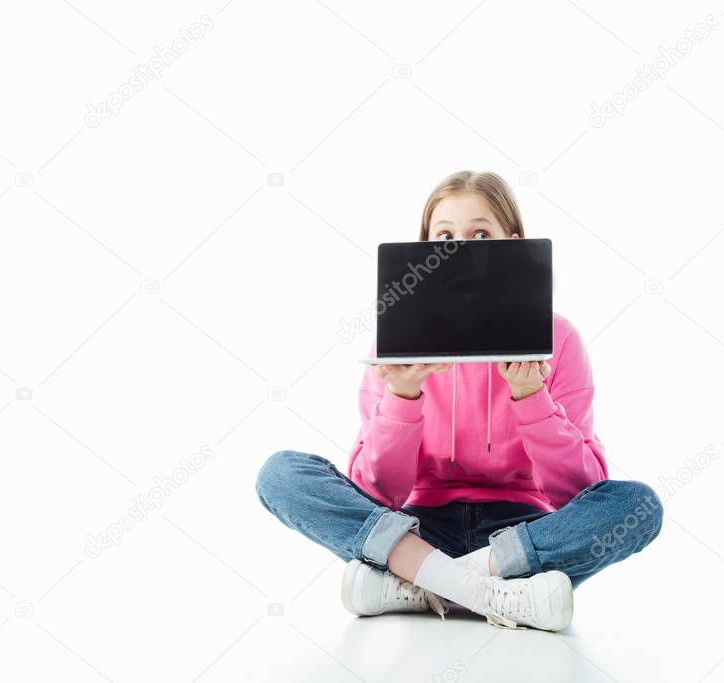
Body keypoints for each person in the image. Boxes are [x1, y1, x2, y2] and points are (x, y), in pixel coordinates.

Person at [255, 170, 663, 630]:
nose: (460, 252)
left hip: (523, 536)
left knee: (638, 506)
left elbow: (579, 493)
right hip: (418, 530)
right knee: (281, 474)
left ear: (513, 244)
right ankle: (492, 593)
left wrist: (531, 398)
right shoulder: (396, 347)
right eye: (445, 237)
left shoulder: (558, 338)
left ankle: (419, 585)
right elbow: (377, 493)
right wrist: (402, 396)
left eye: (480, 235)